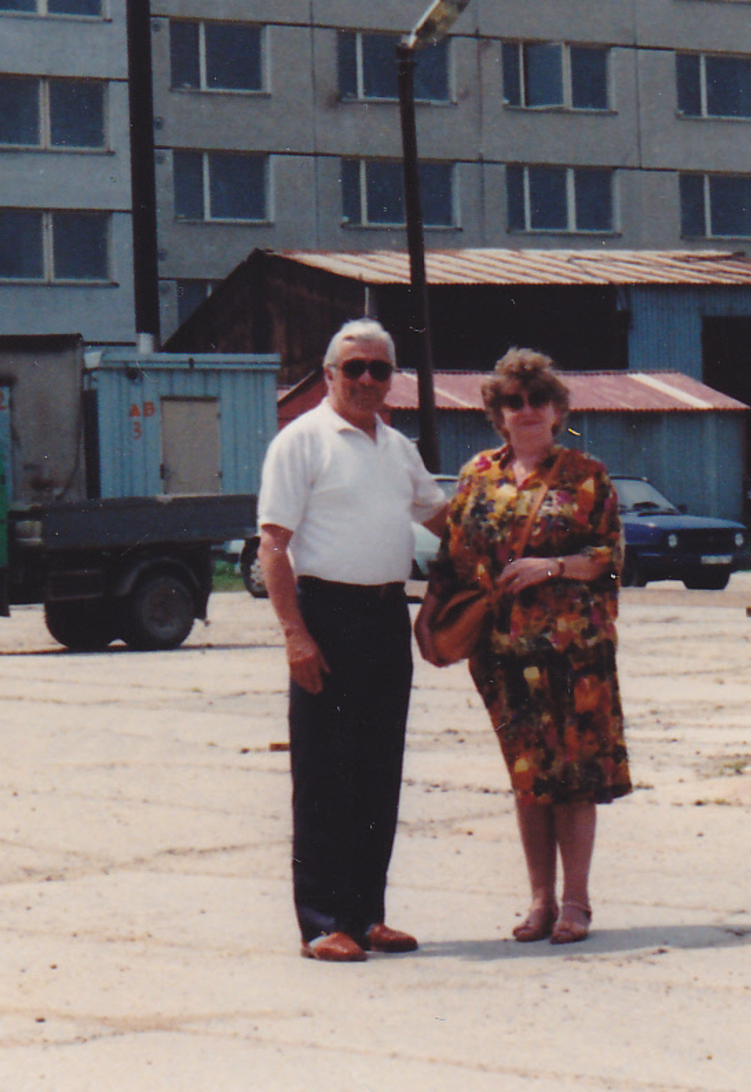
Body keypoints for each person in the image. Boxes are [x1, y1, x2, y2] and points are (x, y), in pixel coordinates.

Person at [419, 348, 630, 945]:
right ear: (499, 413)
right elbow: (451, 557)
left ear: (558, 410)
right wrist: (431, 619)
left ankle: (576, 903)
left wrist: (553, 566)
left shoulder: (587, 476)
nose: (527, 410)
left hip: (574, 651)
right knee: (528, 775)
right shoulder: (477, 476)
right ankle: (540, 901)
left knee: (575, 774)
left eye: (539, 399)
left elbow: (611, 558)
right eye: (514, 401)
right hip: (502, 652)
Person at [257, 320, 450, 963]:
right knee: (323, 775)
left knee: (377, 771)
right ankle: (320, 923)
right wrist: (295, 635)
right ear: (328, 374)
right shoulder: (301, 441)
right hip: (325, 617)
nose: (367, 379)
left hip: (386, 617)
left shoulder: (397, 449)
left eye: (379, 368)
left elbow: (444, 519)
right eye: (354, 367)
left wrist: (511, 530)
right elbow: (273, 546)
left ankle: (366, 917)